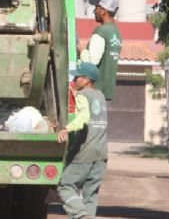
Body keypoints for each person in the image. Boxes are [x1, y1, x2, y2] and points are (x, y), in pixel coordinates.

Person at [57, 62, 108, 219]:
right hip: (101, 154)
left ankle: (80, 216)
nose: (74, 79)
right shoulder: (100, 96)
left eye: (77, 77)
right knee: (90, 194)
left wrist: (66, 128)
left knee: (65, 185)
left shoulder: (83, 95)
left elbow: (84, 117)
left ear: (86, 80)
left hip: (85, 151)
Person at [79, 0, 122, 101]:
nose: (94, 11)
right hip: (107, 93)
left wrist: (81, 51)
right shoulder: (116, 33)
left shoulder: (101, 31)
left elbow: (92, 62)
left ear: (104, 11)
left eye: (96, 8)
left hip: (94, 91)